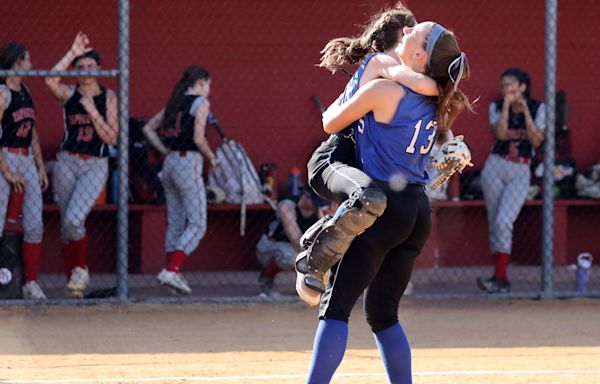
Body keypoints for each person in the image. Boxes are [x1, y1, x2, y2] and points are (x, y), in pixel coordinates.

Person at [304, 21, 472, 383]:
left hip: (381, 206)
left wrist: (362, 86)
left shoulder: (384, 90)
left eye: (417, 32)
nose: (409, 28)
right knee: (383, 314)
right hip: (416, 212)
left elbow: (330, 122)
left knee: (335, 309)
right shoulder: (439, 98)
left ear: (419, 55)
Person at [296, 4, 440, 305]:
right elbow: (421, 83)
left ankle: (321, 237)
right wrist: (445, 82)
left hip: (354, 156)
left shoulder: (386, 75)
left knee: (370, 198)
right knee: (369, 196)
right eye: (415, 33)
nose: (418, 38)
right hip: (337, 154)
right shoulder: (386, 65)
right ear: (404, 35)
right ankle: (315, 254)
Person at [45, 32, 119, 298]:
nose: (86, 71)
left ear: (99, 69)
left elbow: (112, 136)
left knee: (75, 220)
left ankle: (81, 268)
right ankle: (73, 285)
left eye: (90, 66)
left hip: (94, 165)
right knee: (67, 227)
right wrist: (72, 51)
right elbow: (49, 79)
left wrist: (92, 111)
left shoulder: (107, 96)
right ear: (76, 70)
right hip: (67, 162)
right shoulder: (70, 94)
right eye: (81, 67)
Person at [142, 65, 216, 294]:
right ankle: (172, 270)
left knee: (175, 221)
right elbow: (198, 137)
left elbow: (148, 129)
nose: (209, 89)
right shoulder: (200, 103)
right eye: (209, 83)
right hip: (188, 161)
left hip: (170, 162)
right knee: (197, 222)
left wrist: (165, 151)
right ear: (201, 81)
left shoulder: (175, 101)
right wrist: (211, 158)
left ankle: (171, 273)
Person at [477, 68, 545, 294]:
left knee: (504, 221)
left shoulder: (538, 107)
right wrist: (507, 106)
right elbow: (500, 134)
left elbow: (536, 140)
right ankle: (500, 279)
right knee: (495, 223)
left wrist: (525, 113)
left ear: (523, 87)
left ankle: (499, 277)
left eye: (511, 84)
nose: (507, 89)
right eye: (504, 85)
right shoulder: (496, 106)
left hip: (521, 169)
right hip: (496, 165)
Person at [0, 43, 48, 300]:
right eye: (27, 59)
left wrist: (40, 167)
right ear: (17, 62)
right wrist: (7, 172)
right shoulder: (2, 93)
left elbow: (33, 133)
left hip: (26, 159)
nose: (31, 63)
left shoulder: (25, 90)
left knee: (34, 224)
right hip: (5, 155)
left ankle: (30, 283)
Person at [256, 188, 333, 296]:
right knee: (292, 256)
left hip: (295, 248)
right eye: (317, 203)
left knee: (329, 252)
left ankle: (304, 288)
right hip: (268, 248)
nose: (320, 206)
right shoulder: (287, 207)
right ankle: (266, 279)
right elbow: (297, 242)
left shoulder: (319, 211)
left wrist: (323, 220)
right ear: (306, 196)